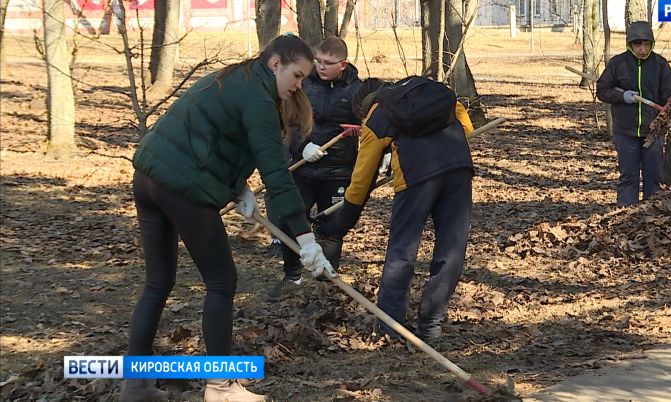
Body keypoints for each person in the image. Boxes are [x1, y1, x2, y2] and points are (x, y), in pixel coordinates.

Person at [122, 34, 335, 402]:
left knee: (158, 283)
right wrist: (306, 239)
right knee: (221, 283)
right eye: (297, 75)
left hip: (149, 176)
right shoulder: (258, 98)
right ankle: (220, 387)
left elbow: (215, 137)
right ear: (276, 65)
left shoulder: (235, 77)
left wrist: (236, 187)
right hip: (181, 187)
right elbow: (277, 174)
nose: (300, 84)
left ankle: (136, 385)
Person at [319, 77, 474, 342]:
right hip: (459, 167)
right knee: (452, 248)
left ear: (361, 108)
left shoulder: (377, 116)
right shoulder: (423, 91)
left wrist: (341, 223)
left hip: (415, 181)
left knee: (402, 251)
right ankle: (432, 324)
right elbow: (467, 127)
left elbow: (361, 181)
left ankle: (390, 327)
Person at [266, 37, 363, 298]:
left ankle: (325, 285)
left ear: (343, 64)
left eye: (328, 63)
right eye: (318, 61)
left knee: (333, 228)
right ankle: (292, 276)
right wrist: (302, 147)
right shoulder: (303, 85)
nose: (321, 67)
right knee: (290, 219)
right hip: (304, 168)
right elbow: (290, 122)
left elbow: (369, 128)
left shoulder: (357, 91)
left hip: (339, 172)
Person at [596, 21, 671, 207]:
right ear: (630, 44)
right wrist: (622, 96)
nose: (642, 49)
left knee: (654, 176)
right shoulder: (618, 64)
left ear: (651, 44)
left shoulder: (660, 65)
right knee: (628, 176)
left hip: (653, 131)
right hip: (625, 131)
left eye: (646, 44)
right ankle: (627, 215)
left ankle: (653, 214)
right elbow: (602, 90)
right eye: (637, 44)